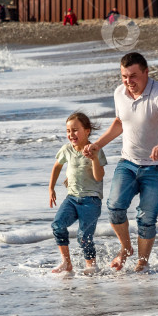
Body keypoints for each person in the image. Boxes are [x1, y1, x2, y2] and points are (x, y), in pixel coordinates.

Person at [83, 52, 158, 272]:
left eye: (133, 76)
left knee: (146, 218)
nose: (129, 82)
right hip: (128, 162)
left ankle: (141, 265)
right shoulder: (120, 93)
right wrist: (98, 144)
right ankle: (125, 249)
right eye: (124, 76)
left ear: (146, 72)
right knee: (115, 207)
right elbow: (120, 122)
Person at [49, 112, 107, 274]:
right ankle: (66, 263)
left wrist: (94, 158)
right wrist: (51, 188)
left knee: (84, 236)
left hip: (91, 201)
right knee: (58, 225)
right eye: (68, 131)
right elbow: (57, 166)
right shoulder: (66, 149)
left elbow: (99, 177)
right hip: (72, 199)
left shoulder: (95, 149)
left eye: (75, 130)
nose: (71, 134)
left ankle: (91, 265)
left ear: (87, 131)